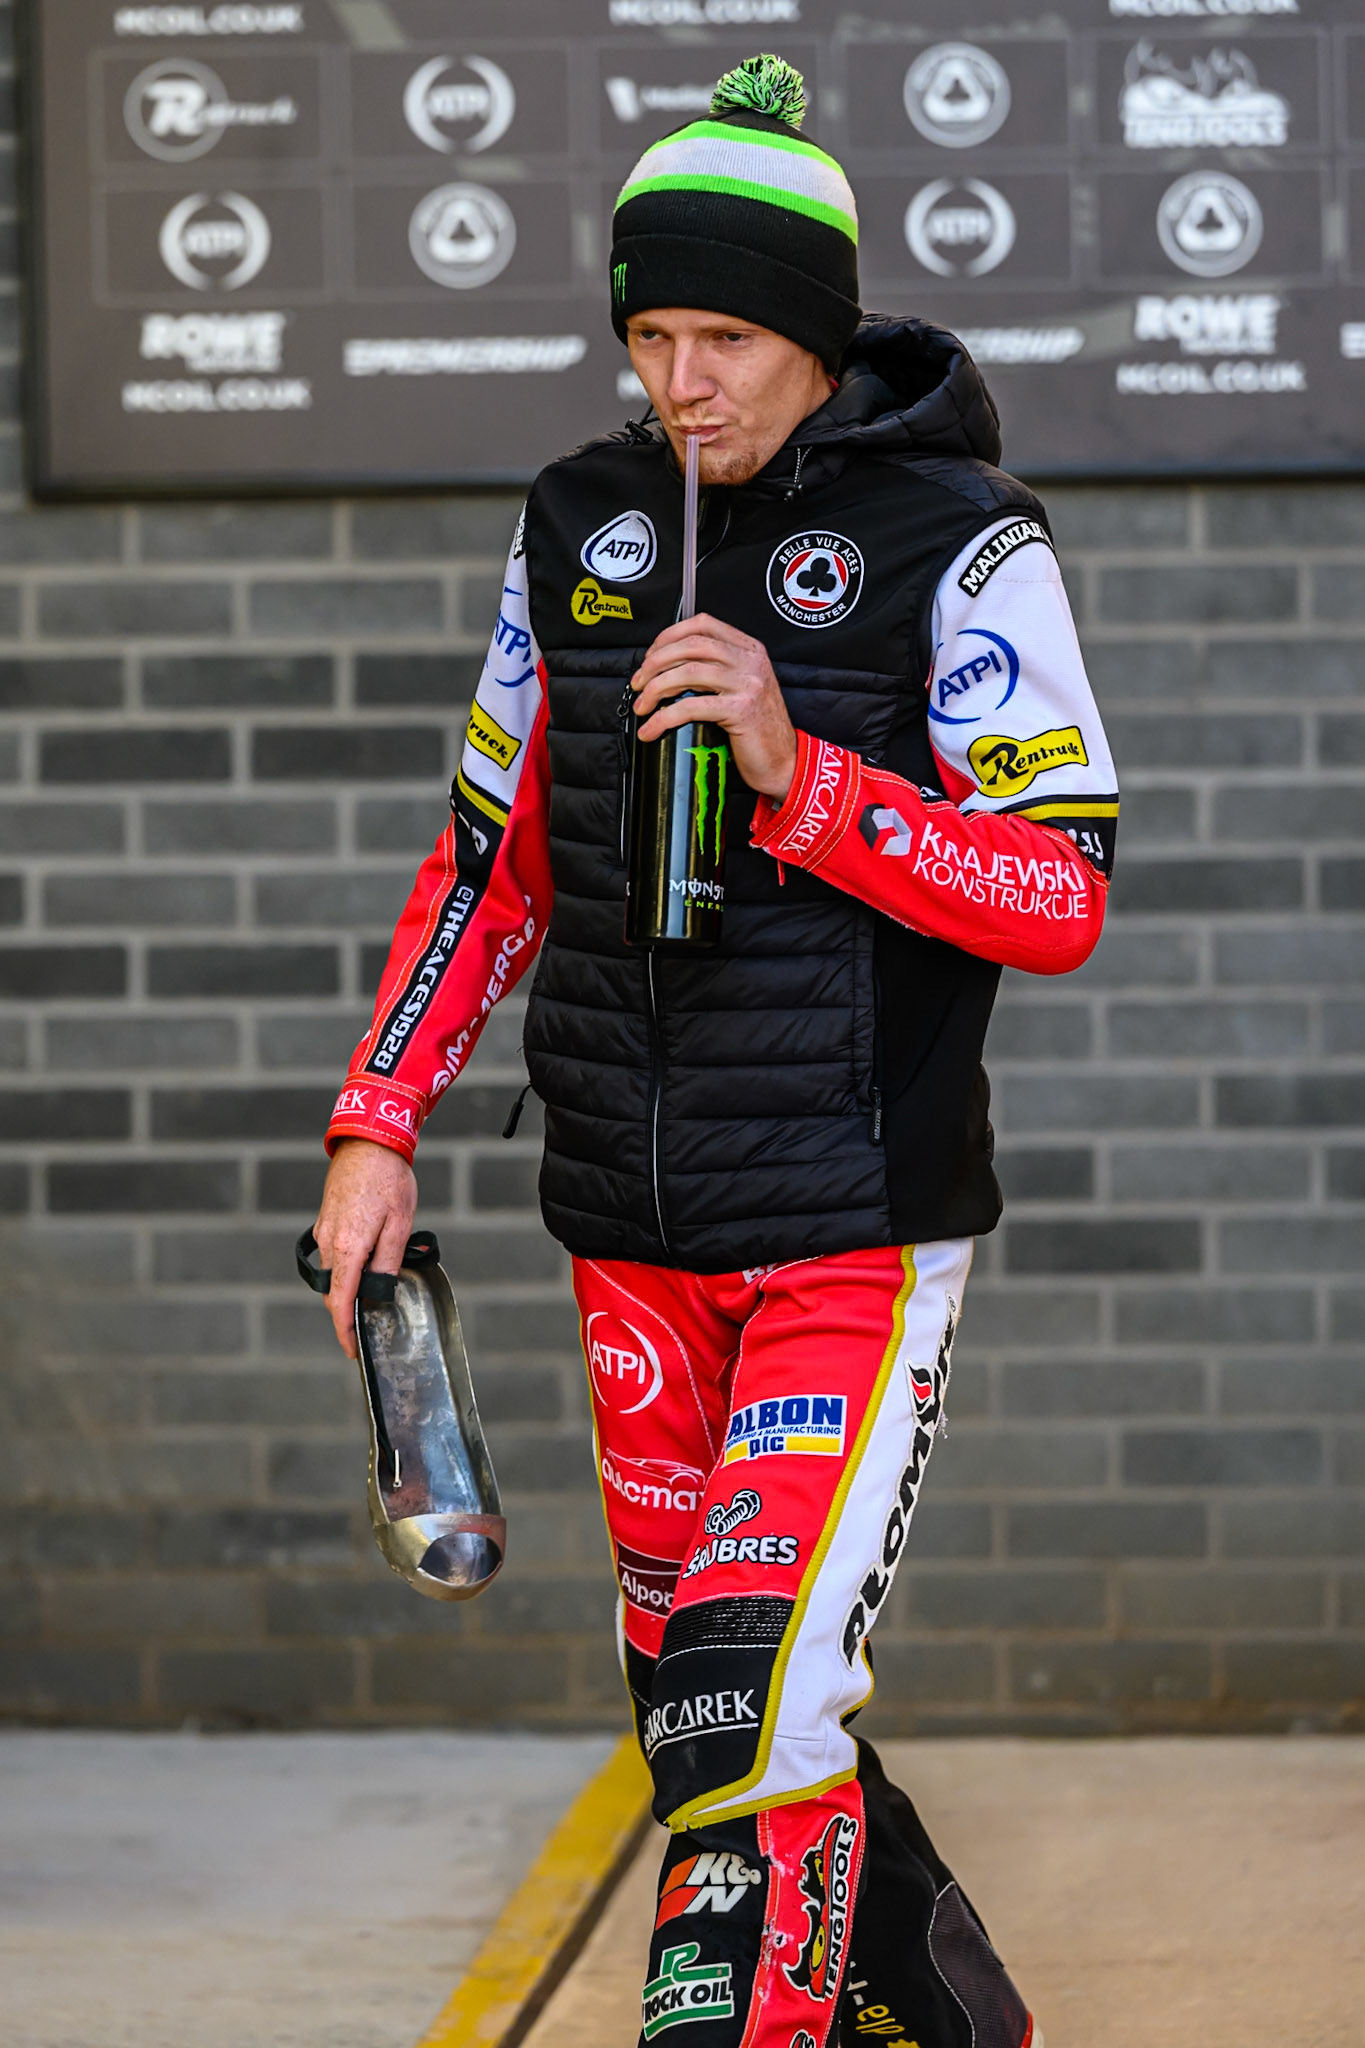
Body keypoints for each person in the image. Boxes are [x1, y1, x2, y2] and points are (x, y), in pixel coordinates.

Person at [314, 54, 1115, 2048]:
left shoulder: (963, 542)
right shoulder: (573, 522)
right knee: (703, 1709)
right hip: (625, 1223)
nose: (683, 381)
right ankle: (939, 2006)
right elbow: (493, 855)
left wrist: (800, 774)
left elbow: (1059, 889)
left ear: (815, 337)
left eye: (727, 338)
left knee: (745, 1688)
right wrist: (377, 1121)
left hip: (849, 1220)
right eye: (648, 335)